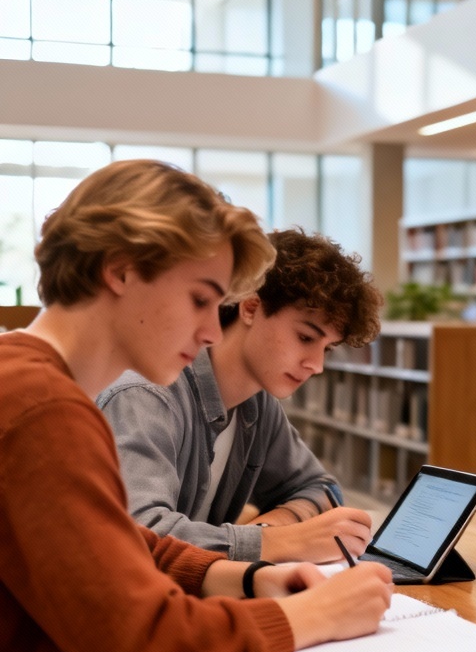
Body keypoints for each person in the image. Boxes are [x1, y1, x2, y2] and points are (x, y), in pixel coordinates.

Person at [0, 158, 394, 652]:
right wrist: (301, 615)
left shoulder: (29, 380)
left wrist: (237, 574)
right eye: (202, 299)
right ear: (122, 272)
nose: (214, 331)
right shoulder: (43, 409)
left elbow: (117, 539)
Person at [98, 226, 382, 566]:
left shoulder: (258, 405)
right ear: (250, 308)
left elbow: (321, 486)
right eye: (306, 338)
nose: (317, 365)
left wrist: (279, 525)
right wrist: (274, 542)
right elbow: (140, 536)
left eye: (327, 349)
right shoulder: (147, 395)